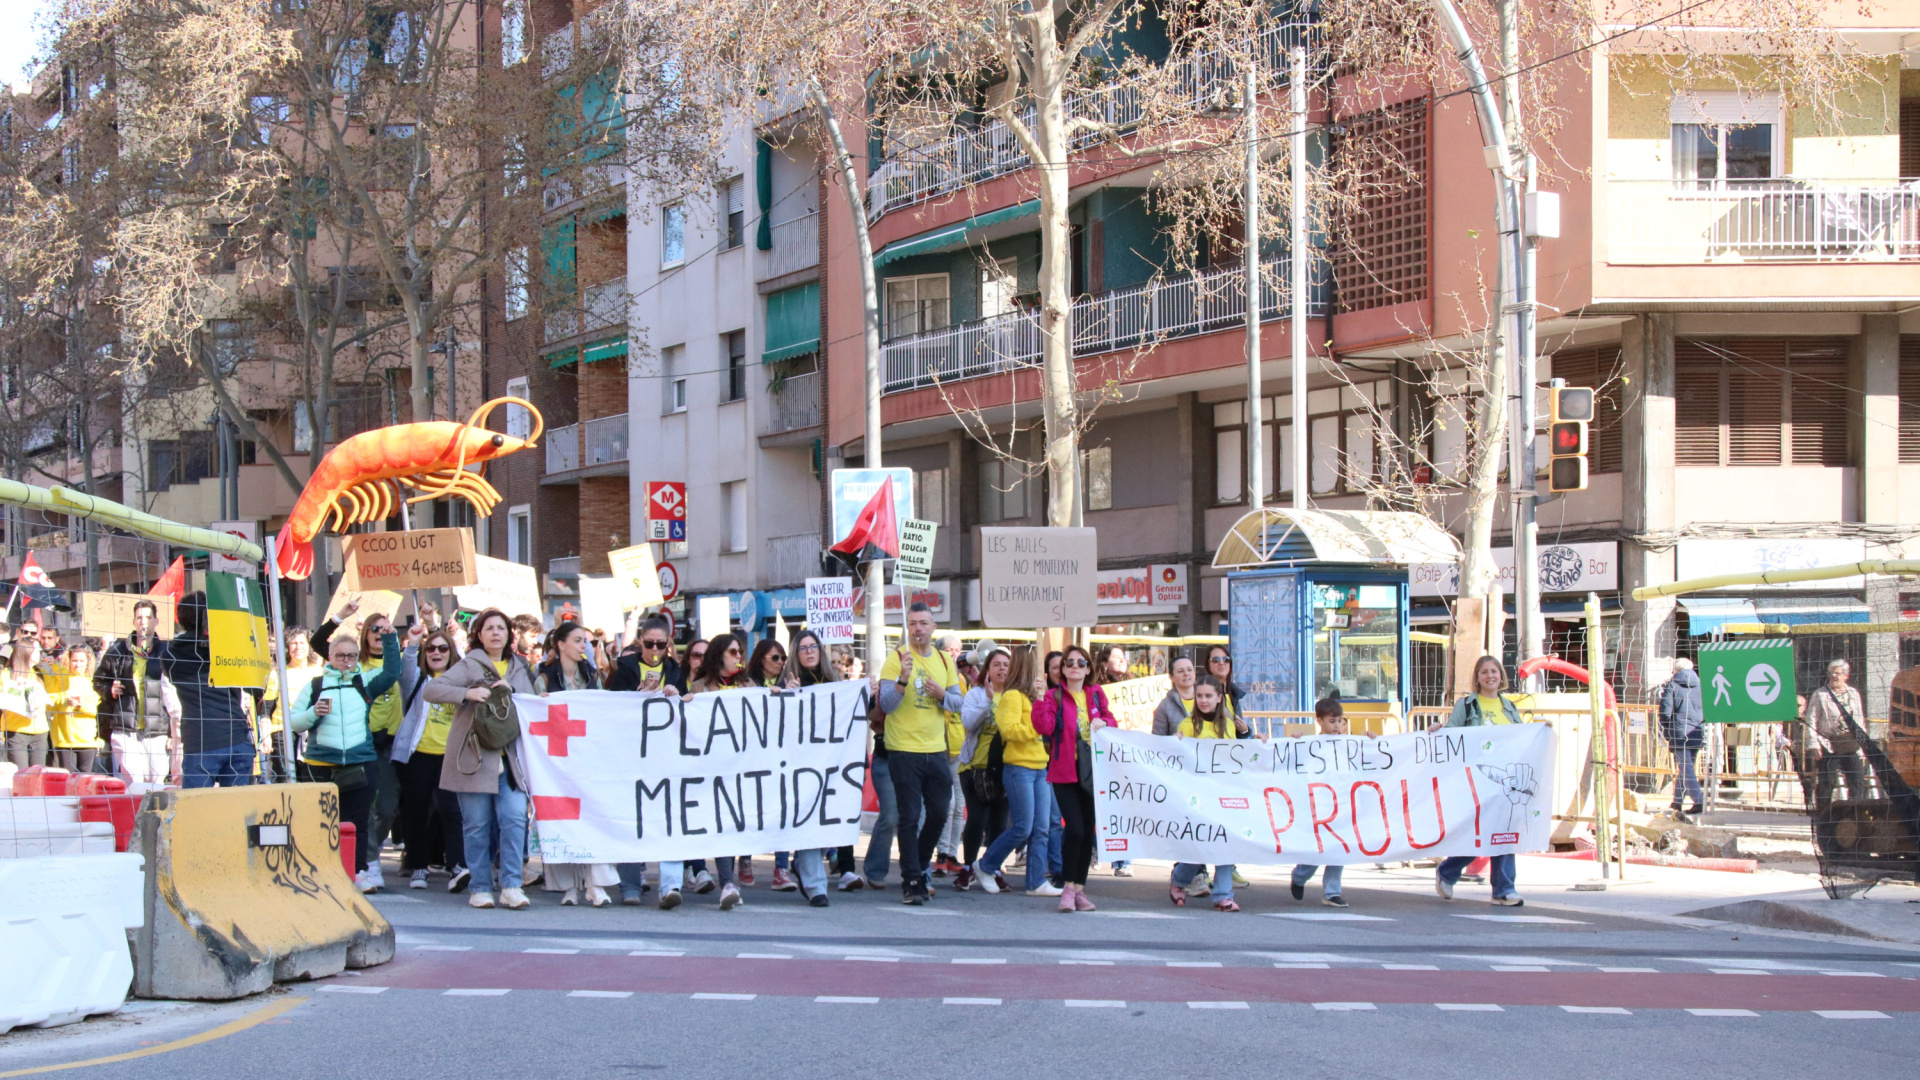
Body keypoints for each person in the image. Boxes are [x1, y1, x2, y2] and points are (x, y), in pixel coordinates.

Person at [424, 608, 539, 911]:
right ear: (479, 634)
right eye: (489, 628)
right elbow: (432, 689)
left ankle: (512, 884)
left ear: (509, 634)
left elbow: (534, 704)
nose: (496, 633)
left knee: (515, 819)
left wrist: (511, 690)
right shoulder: (470, 662)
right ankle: (480, 886)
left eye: (501, 627)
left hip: (511, 760)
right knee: (476, 824)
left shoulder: (519, 666)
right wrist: (467, 693)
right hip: (475, 756)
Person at [290, 623, 402, 891]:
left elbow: (392, 671)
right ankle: (321, 871)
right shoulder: (315, 685)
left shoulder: (364, 682)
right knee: (321, 822)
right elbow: (294, 722)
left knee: (358, 820)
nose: (346, 661)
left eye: (352, 656)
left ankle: (358, 871)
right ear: (329, 657)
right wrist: (313, 713)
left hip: (359, 763)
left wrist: (389, 637)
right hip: (320, 765)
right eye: (340, 656)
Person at [877, 603, 966, 905]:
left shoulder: (944, 660)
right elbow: (886, 705)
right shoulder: (895, 659)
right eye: (912, 623)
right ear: (908, 627)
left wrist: (942, 695)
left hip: (936, 750)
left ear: (933, 628)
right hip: (903, 750)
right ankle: (911, 879)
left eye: (923, 623)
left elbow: (958, 703)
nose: (918, 629)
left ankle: (920, 865)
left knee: (940, 813)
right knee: (910, 816)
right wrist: (902, 681)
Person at [535, 621, 619, 907]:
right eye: (578, 640)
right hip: (556, 762)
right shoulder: (544, 678)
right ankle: (568, 885)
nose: (584, 645)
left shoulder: (591, 676)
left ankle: (595, 885)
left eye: (586, 641)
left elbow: (604, 711)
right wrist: (539, 703)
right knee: (562, 818)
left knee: (594, 817)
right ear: (560, 644)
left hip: (587, 759)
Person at [1434, 655, 1526, 907]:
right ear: (1477, 678)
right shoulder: (1468, 705)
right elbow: (1453, 731)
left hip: (1506, 782)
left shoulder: (1509, 706)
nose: (1490, 676)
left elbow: (1522, 735)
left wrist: (1542, 730)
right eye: (1484, 672)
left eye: (1494, 671)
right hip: (1477, 779)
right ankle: (1449, 871)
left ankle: (1504, 890)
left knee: (1504, 834)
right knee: (1479, 834)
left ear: (1501, 675)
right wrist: (1437, 730)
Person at [1032, 644, 1115, 912]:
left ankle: (1079, 890)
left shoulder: (1096, 694)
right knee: (1075, 829)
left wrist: (1105, 722)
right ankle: (1068, 888)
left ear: (1089, 668)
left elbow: (1112, 722)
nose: (1075, 667)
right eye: (1069, 663)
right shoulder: (1055, 696)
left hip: (1093, 773)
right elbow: (1043, 726)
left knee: (1087, 830)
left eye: (1081, 663)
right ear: (1063, 670)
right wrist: (1039, 697)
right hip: (1064, 771)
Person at [391, 627, 467, 893]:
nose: (436, 652)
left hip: (450, 757)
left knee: (452, 812)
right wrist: (413, 642)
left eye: (443, 648)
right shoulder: (417, 680)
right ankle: (418, 866)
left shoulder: (460, 682)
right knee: (416, 813)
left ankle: (457, 865)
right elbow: (407, 666)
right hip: (417, 757)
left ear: (452, 653)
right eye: (431, 648)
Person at [162, 592, 264, 789]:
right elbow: (256, 688)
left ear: (181, 620)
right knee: (235, 812)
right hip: (236, 736)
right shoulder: (228, 649)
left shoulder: (171, 656)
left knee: (198, 810)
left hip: (201, 742)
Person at [972, 646, 1052, 896]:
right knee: (1023, 827)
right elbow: (1009, 730)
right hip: (1019, 768)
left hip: (1039, 767)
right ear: (1029, 667)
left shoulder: (1033, 697)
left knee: (1041, 829)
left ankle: (1036, 881)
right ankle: (985, 865)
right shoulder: (1012, 697)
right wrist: (1035, 730)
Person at [95, 599, 171, 785]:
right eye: (139, 617)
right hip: (125, 726)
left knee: (157, 782)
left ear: (156, 621)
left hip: (157, 728)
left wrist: (173, 733)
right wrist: (109, 689)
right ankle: (133, 814)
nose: (143, 622)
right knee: (134, 782)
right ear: (133, 621)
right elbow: (98, 680)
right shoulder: (118, 651)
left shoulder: (167, 651)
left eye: (148, 617)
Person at [955, 644, 1011, 892]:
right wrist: (988, 702)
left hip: (1005, 769)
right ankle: (968, 866)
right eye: (996, 664)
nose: (1002, 669)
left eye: (1006, 665)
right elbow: (968, 722)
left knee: (1000, 823)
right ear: (987, 669)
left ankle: (991, 867)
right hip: (974, 767)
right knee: (977, 819)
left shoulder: (1015, 694)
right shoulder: (976, 694)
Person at [1288, 696, 1353, 909]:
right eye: (1332, 721)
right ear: (1320, 721)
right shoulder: (1311, 744)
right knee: (1318, 848)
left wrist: (1371, 740)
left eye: (1340, 721)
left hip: (1341, 801)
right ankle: (1300, 875)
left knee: (1339, 846)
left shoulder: (1348, 744)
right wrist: (1297, 742)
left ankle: (1332, 891)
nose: (1337, 726)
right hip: (1318, 804)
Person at [1803, 658, 1868, 807]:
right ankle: (1824, 815)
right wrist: (1813, 745)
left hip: (1851, 744)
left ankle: (1855, 813)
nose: (1834, 677)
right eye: (1831, 674)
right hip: (1829, 743)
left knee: (1857, 779)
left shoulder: (1854, 693)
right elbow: (1811, 720)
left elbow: (1859, 719)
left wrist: (1864, 745)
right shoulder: (1820, 695)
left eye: (1838, 674)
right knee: (1827, 781)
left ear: (1846, 675)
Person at [931, 632, 970, 878]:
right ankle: (941, 853)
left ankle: (953, 853)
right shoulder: (936, 675)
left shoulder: (962, 679)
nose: (956, 653)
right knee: (948, 803)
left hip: (959, 748)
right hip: (939, 746)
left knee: (960, 806)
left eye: (958, 650)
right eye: (950, 649)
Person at [1658, 657, 1706, 822]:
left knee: (1686, 768)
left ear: (1676, 670)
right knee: (1686, 767)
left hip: (1678, 732)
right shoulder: (1701, 686)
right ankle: (1677, 802)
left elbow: (1665, 711)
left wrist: (1666, 726)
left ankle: (1699, 801)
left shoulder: (1672, 685)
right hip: (1696, 731)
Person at [49, 644, 102, 773]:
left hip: (88, 740)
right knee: (68, 781)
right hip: (65, 740)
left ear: (88, 662)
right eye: (74, 661)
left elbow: (98, 709)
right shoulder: (61, 679)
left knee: (85, 779)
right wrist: (65, 701)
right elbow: (51, 701)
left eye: (81, 661)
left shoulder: (93, 681)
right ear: (68, 660)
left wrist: (81, 705)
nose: (78, 665)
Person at [1, 636, 51, 767]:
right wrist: (15, 687)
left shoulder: (39, 673)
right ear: (25, 651)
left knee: (37, 775)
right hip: (16, 731)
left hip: (40, 731)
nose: (40, 652)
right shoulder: (7, 674)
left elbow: (54, 690)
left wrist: (53, 666)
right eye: (36, 649)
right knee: (21, 774)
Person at [606, 616, 686, 694]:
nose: (654, 649)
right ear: (641, 640)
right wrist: (638, 695)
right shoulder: (626, 666)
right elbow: (616, 699)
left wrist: (676, 693)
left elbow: (685, 699)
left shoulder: (675, 669)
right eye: (649, 643)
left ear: (667, 642)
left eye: (661, 644)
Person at [1206, 645, 1248, 717]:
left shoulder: (1234, 693)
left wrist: (1245, 729)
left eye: (1226, 659)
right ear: (1207, 664)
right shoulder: (1203, 692)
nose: (1222, 663)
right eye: (1216, 659)